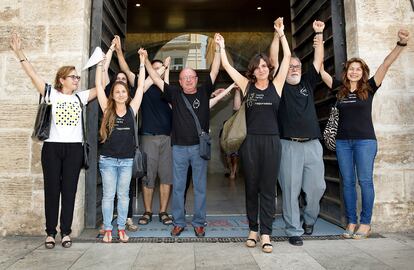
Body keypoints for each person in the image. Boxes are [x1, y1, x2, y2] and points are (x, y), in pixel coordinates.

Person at [319, 29, 410, 239]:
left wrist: (401, 44)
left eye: (358, 69)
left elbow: (385, 64)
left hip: (365, 142)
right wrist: (319, 37)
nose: (354, 72)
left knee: (365, 182)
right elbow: (320, 69)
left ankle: (366, 222)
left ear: (363, 72)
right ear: (346, 72)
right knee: (348, 182)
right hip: (342, 142)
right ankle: (351, 222)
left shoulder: (370, 87)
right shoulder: (338, 89)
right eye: (351, 69)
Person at [10, 32, 97, 249]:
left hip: (74, 149)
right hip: (52, 148)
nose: (77, 80)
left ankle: (65, 232)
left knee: (69, 190)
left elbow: (101, 89)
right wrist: (19, 52)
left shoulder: (80, 97)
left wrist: (104, 63)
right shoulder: (51, 93)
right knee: (52, 191)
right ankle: (50, 233)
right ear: (62, 79)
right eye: (73, 77)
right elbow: (32, 75)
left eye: (78, 77)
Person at [215, 17, 291, 253]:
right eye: (258, 66)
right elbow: (227, 67)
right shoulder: (247, 86)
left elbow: (287, 58)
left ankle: (266, 233)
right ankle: (253, 229)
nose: (261, 69)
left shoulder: (276, 85)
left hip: (271, 141)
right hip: (250, 142)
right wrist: (221, 48)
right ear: (253, 70)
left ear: (269, 69)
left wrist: (280, 35)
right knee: (252, 187)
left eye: (265, 66)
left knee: (268, 188)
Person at [144, 33, 221, 237]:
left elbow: (215, 69)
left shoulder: (204, 92)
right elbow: (154, 78)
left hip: (198, 148)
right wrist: (145, 62)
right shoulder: (174, 94)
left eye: (191, 77)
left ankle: (199, 222)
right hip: (178, 148)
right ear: (180, 80)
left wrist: (219, 48)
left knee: (200, 188)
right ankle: (178, 222)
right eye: (184, 77)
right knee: (178, 187)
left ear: (196, 79)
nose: (188, 80)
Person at [274, 20, 326, 246]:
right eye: (290, 66)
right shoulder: (278, 85)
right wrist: (278, 34)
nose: (294, 69)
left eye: (297, 66)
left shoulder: (307, 81)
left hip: (313, 145)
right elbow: (276, 59)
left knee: (317, 188)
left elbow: (319, 60)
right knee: (290, 190)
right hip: (289, 146)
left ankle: (310, 218)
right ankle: (294, 229)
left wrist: (319, 34)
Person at [113, 35, 174, 226]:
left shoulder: (169, 89)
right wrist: (118, 51)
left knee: (166, 177)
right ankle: (147, 211)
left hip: (167, 138)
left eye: (159, 69)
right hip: (147, 137)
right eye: (154, 69)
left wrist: (167, 72)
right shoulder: (141, 84)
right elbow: (124, 68)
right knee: (148, 177)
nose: (157, 72)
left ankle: (163, 211)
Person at [96, 48, 145, 243]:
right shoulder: (106, 109)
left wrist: (142, 62)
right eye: (117, 91)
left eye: (123, 91)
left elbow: (140, 87)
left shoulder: (132, 109)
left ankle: (122, 229)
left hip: (126, 161)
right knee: (109, 196)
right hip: (107, 160)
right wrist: (101, 66)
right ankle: (108, 229)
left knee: (123, 197)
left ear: (127, 93)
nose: (121, 94)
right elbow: (99, 86)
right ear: (113, 95)